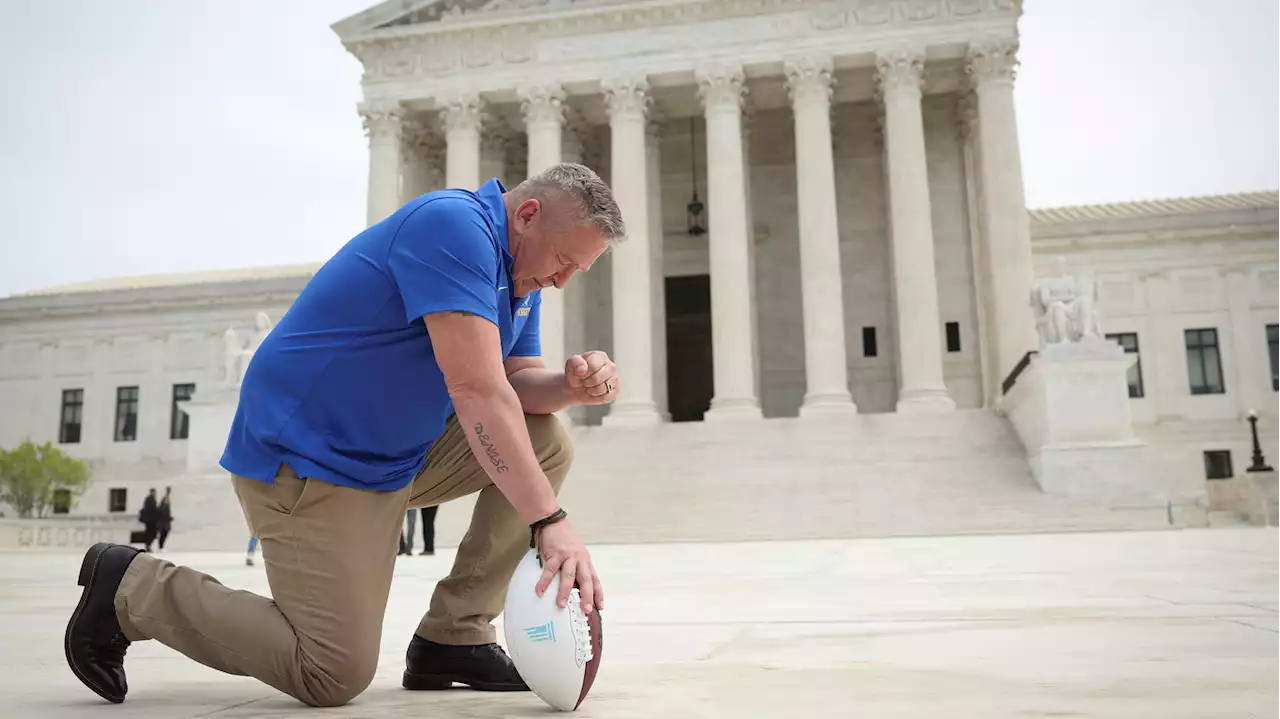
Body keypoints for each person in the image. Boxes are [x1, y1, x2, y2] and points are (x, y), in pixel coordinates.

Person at [64, 163, 623, 708]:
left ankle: (456, 636)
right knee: (330, 672)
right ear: (526, 214)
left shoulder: (520, 274)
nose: (562, 280)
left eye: (578, 271)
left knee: (547, 439)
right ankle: (132, 587)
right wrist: (549, 521)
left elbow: (517, 383)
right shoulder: (453, 228)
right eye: (563, 261)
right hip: (309, 461)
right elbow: (477, 389)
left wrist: (570, 387)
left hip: (391, 457)